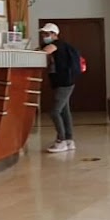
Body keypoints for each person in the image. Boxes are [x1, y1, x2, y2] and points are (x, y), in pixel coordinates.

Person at [40, 22, 80, 153]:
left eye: (46, 34)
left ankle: (61, 140)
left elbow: (45, 51)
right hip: (63, 82)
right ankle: (69, 140)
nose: (44, 36)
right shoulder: (59, 45)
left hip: (64, 83)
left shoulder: (57, 44)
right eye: (43, 34)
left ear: (54, 34)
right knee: (64, 111)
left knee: (54, 111)